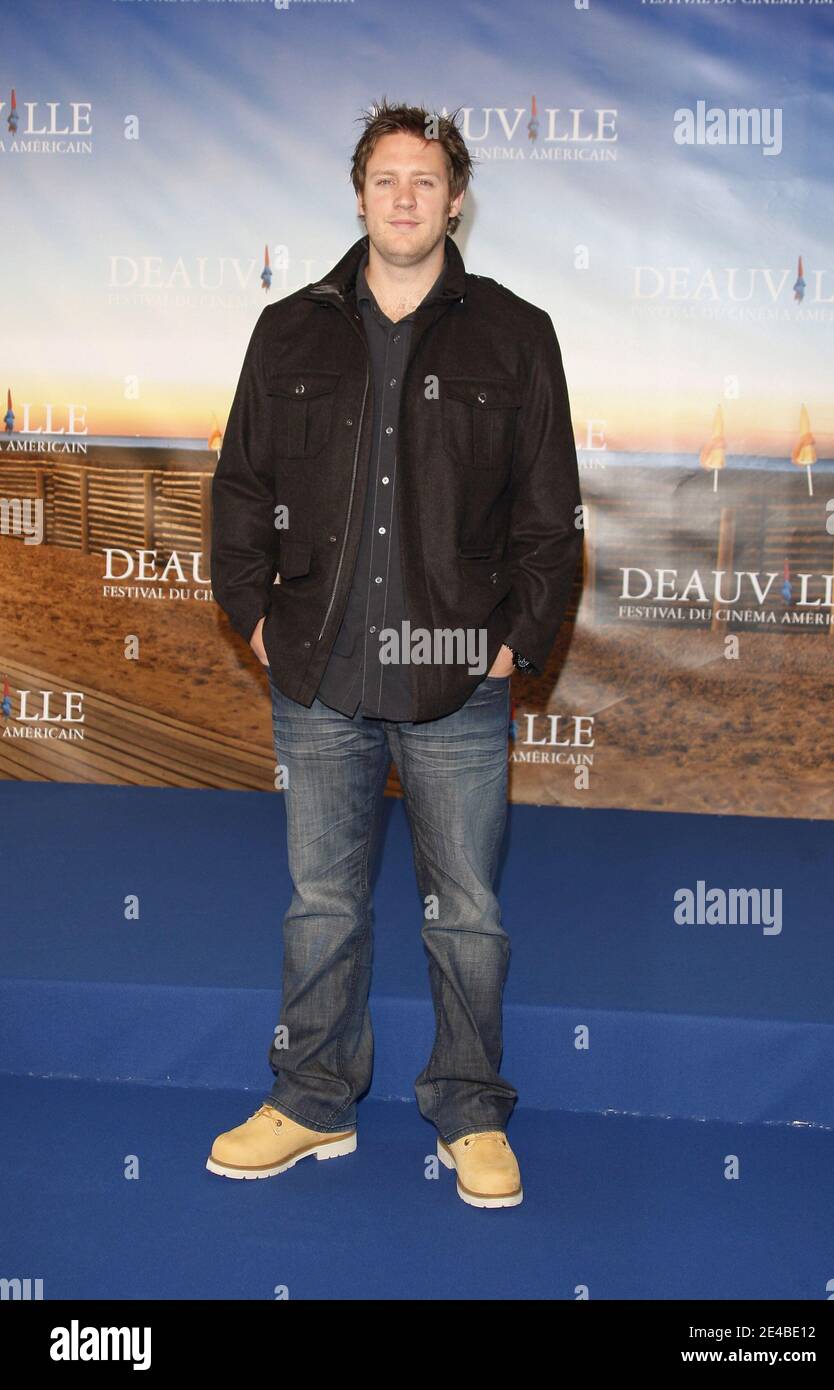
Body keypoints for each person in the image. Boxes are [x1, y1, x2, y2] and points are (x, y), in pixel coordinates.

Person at [207, 99, 582, 1208]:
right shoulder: (287, 331)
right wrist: (256, 615)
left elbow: (549, 515)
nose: (405, 198)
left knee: (465, 907)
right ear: (358, 193)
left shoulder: (516, 333)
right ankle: (311, 1098)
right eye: (386, 179)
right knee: (320, 901)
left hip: (455, 680)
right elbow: (240, 489)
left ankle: (468, 1106)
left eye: (426, 180)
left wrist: (514, 638)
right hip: (319, 669)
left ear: (455, 197)